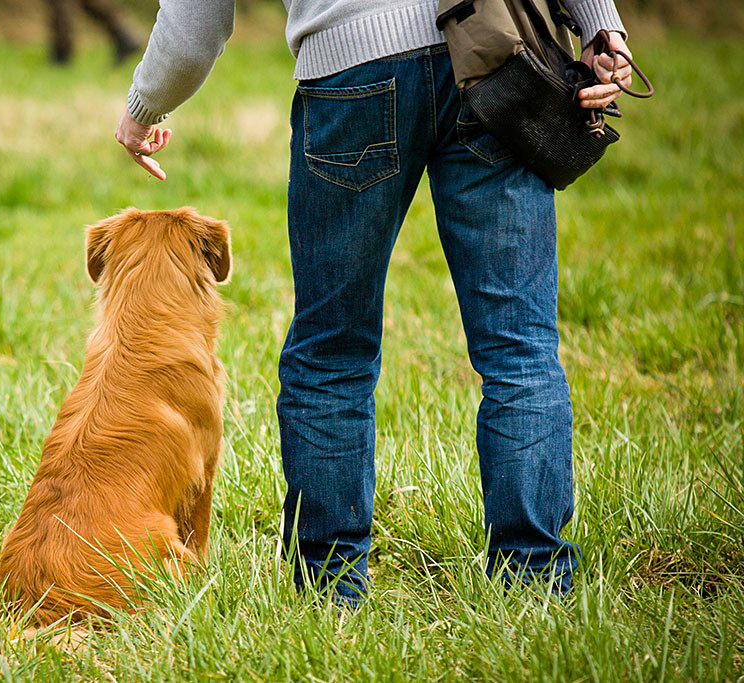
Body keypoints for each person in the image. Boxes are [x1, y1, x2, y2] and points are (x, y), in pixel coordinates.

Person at [114, 0, 635, 606]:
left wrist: (143, 108)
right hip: (494, 52)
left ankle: (331, 592)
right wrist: (601, 23)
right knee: (519, 348)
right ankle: (536, 585)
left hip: (352, 70)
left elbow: (195, 23)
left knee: (332, 353)